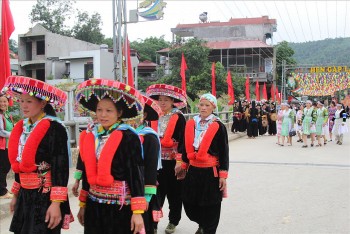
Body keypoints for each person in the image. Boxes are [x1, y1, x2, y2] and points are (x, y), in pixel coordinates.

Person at [1, 76, 73, 233]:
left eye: (29, 101)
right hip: (25, 196)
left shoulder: (55, 128)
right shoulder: (24, 127)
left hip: (45, 196)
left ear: (43, 103)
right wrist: (15, 195)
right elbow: (21, 165)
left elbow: (61, 167)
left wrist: (56, 203)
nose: (24, 106)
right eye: (21, 100)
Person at [75, 79, 147, 234]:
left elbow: (136, 173)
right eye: (99, 110)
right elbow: (88, 171)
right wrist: (83, 205)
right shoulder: (93, 135)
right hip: (94, 205)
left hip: (120, 207)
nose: (103, 115)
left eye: (109, 111)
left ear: (119, 113)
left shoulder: (129, 136)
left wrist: (137, 212)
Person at [180, 93, 229, 234]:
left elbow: (224, 151)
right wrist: (183, 165)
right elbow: (185, 145)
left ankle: (208, 229)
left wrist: (223, 175)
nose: (203, 107)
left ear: (213, 107)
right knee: (189, 203)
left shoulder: (218, 126)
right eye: (201, 104)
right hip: (193, 170)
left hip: (210, 171)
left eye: (207, 105)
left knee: (211, 204)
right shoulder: (192, 123)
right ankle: (202, 223)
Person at [146, 84, 187, 234]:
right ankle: (154, 223)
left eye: (166, 100)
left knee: (175, 193)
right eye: (160, 100)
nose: (162, 103)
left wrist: (180, 161)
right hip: (156, 162)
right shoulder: (153, 117)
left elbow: (183, 140)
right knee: (155, 193)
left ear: (172, 102)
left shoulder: (179, 117)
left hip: (173, 161)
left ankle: (173, 221)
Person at [136, 95, 162, 234]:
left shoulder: (149, 136)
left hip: (144, 189)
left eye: (137, 111)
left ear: (144, 114)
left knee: (144, 226)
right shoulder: (124, 134)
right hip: (127, 192)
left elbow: (151, 169)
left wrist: (146, 196)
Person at [0, 94, 14, 199]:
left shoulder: (7, 115)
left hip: (8, 145)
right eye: (1, 101)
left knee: (5, 167)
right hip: (2, 146)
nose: (3, 104)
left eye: (5, 101)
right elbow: (1, 132)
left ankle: (3, 189)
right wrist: (13, 134)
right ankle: (2, 191)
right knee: (3, 168)